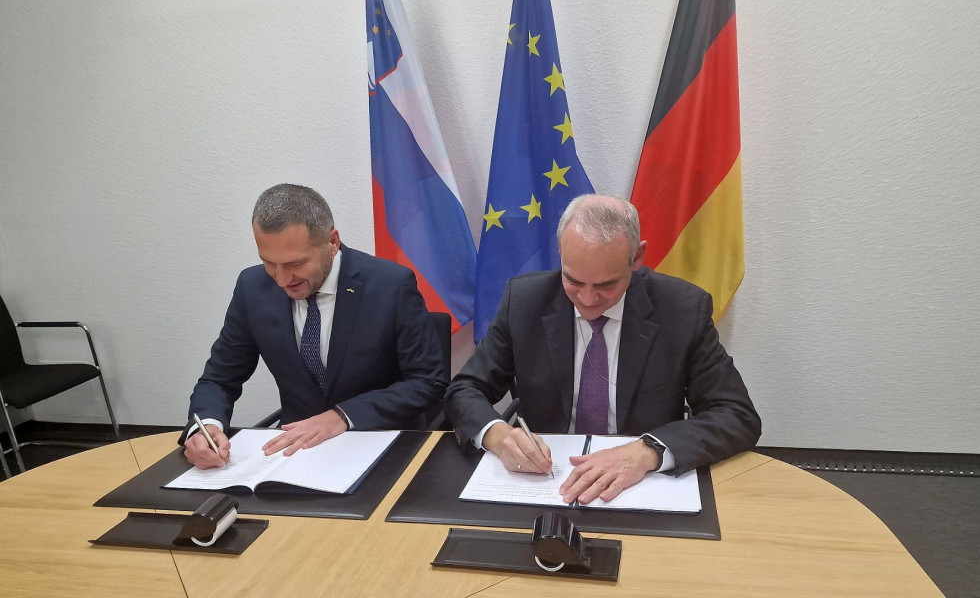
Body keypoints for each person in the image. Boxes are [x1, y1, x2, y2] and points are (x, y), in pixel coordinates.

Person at [445, 194, 761, 505]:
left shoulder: (681, 309)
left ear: (637, 257)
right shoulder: (525, 301)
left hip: (641, 485)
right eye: (573, 280)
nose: (587, 299)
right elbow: (465, 389)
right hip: (545, 480)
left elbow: (737, 415)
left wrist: (649, 450)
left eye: (606, 284)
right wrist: (498, 435)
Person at [181, 183, 446, 468]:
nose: (282, 280)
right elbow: (219, 378)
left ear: (332, 242)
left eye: (296, 263)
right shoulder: (252, 288)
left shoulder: (390, 285)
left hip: (382, 446)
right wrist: (205, 425)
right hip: (295, 456)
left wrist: (342, 416)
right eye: (269, 263)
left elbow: (427, 382)